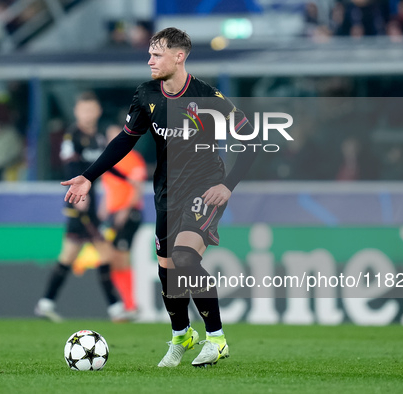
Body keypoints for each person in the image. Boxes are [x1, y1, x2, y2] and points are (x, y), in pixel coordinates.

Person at [60, 28, 260, 367]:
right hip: (167, 191)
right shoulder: (146, 94)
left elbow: (251, 139)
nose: (150, 60)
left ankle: (216, 338)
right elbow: (125, 141)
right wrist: (89, 176)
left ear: (179, 56)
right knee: (168, 271)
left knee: (183, 258)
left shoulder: (206, 96)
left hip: (205, 187)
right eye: (150, 54)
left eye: (157, 54)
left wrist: (228, 185)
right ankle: (182, 336)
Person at [35, 92, 130, 323]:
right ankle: (116, 309)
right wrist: (80, 196)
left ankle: (45, 303)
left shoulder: (97, 137)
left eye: (91, 109)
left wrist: (125, 177)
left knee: (68, 255)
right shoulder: (72, 137)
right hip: (79, 203)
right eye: (83, 110)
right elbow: (70, 167)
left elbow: (102, 164)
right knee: (105, 253)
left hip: (91, 201)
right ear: (76, 112)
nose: (87, 114)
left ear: (97, 111)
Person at [99, 124, 147, 315]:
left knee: (121, 257)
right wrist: (103, 212)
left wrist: (125, 211)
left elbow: (137, 188)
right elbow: (109, 190)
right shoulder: (108, 160)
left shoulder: (133, 158)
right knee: (112, 258)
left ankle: (129, 305)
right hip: (113, 214)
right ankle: (125, 305)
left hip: (129, 213)